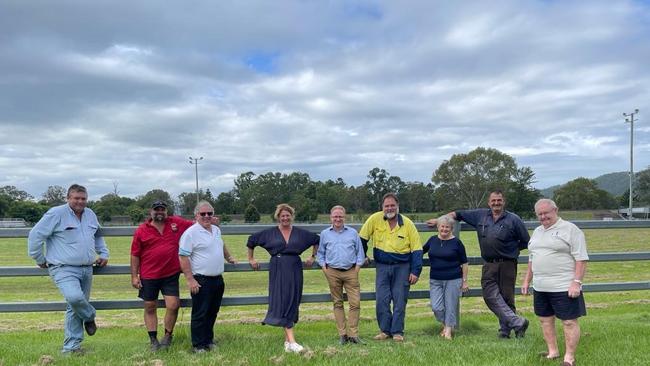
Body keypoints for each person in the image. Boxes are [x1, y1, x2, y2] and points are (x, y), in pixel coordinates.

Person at [427, 190, 530, 338]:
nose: (496, 203)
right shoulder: (480, 215)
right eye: (493, 201)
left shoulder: (514, 219)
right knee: (489, 295)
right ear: (489, 202)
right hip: (488, 264)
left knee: (507, 297)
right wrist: (440, 221)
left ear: (503, 202)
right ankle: (518, 322)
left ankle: (506, 331)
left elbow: (526, 241)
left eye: (499, 200)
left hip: (507, 263)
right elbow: (457, 214)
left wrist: (511, 250)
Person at [27, 184, 109, 354]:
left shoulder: (90, 214)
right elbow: (35, 236)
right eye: (76, 198)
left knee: (74, 307)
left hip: (87, 268)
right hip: (63, 267)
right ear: (68, 198)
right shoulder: (56, 214)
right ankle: (90, 316)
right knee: (75, 298)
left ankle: (71, 348)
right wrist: (39, 258)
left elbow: (98, 235)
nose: (80, 201)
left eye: (83, 198)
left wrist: (104, 252)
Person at [522, 199, 588, 366]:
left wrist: (577, 282)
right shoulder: (537, 231)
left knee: (568, 321)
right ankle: (553, 352)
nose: (543, 217)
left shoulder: (570, 230)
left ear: (555, 210)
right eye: (539, 214)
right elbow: (532, 258)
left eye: (546, 213)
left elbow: (581, 258)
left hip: (564, 286)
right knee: (545, 319)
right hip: (540, 286)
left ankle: (569, 358)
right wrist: (526, 280)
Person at [247, 203, 319, 353]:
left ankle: (287, 342)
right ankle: (292, 341)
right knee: (282, 300)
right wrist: (251, 259)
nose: (285, 218)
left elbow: (316, 240)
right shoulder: (269, 233)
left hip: (294, 267)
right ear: (278, 217)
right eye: (282, 216)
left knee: (293, 299)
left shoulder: (300, 233)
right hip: (278, 268)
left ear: (292, 217)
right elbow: (251, 241)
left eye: (288, 215)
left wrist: (313, 257)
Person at [130, 200, 194, 351]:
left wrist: (210, 219)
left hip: (170, 274)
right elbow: (135, 254)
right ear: (150, 212)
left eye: (162, 209)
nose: (159, 212)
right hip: (149, 275)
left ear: (166, 211)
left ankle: (167, 336)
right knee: (150, 306)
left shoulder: (176, 223)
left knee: (173, 305)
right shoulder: (141, 230)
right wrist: (134, 276)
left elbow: (195, 224)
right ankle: (153, 339)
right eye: (156, 209)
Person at [359, 193, 422, 342]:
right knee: (382, 299)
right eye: (386, 206)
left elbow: (417, 249)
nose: (389, 208)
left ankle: (398, 332)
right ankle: (385, 331)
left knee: (400, 299)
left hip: (402, 267)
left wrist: (415, 270)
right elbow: (361, 239)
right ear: (382, 207)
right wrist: (363, 256)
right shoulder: (374, 219)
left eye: (392, 205)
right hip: (381, 266)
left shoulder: (408, 224)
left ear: (398, 206)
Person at [179, 201, 236, 353]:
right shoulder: (190, 233)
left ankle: (208, 341)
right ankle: (198, 345)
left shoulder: (216, 230)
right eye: (202, 214)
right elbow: (183, 257)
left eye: (209, 213)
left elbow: (220, 245)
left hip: (217, 279)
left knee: (212, 312)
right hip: (201, 280)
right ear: (196, 215)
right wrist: (190, 280)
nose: (206, 216)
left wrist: (228, 257)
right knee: (200, 313)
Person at [316, 205, 365, 345]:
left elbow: (359, 252)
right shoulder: (325, 233)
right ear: (331, 218)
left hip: (351, 271)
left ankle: (353, 335)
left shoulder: (353, 233)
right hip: (332, 271)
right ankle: (343, 335)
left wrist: (357, 268)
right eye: (335, 216)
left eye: (340, 216)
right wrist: (324, 268)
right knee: (337, 303)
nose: (338, 219)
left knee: (355, 303)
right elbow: (321, 253)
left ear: (345, 217)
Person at [422, 215, 469, 340]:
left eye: (447, 227)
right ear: (438, 227)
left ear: (451, 228)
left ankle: (448, 331)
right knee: (436, 307)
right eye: (442, 226)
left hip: (453, 279)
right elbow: (420, 251)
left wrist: (464, 281)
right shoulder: (432, 240)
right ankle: (447, 325)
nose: (444, 229)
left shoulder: (457, 243)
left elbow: (464, 263)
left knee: (450, 305)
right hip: (435, 279)